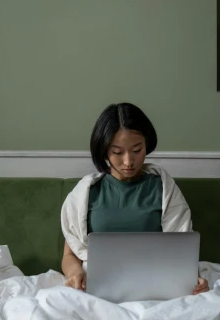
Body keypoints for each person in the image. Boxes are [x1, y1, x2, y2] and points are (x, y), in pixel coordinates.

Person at [61, 102, 209, 296]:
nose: (128, 161)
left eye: (137, 150)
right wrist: (75, 272)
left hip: (157, 285)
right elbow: (69, 255)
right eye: (117, 152)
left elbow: (181, 252)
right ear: (104, 150)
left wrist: (192, 278)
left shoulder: (163, 188)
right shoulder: (86, 193)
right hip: (99, 288)